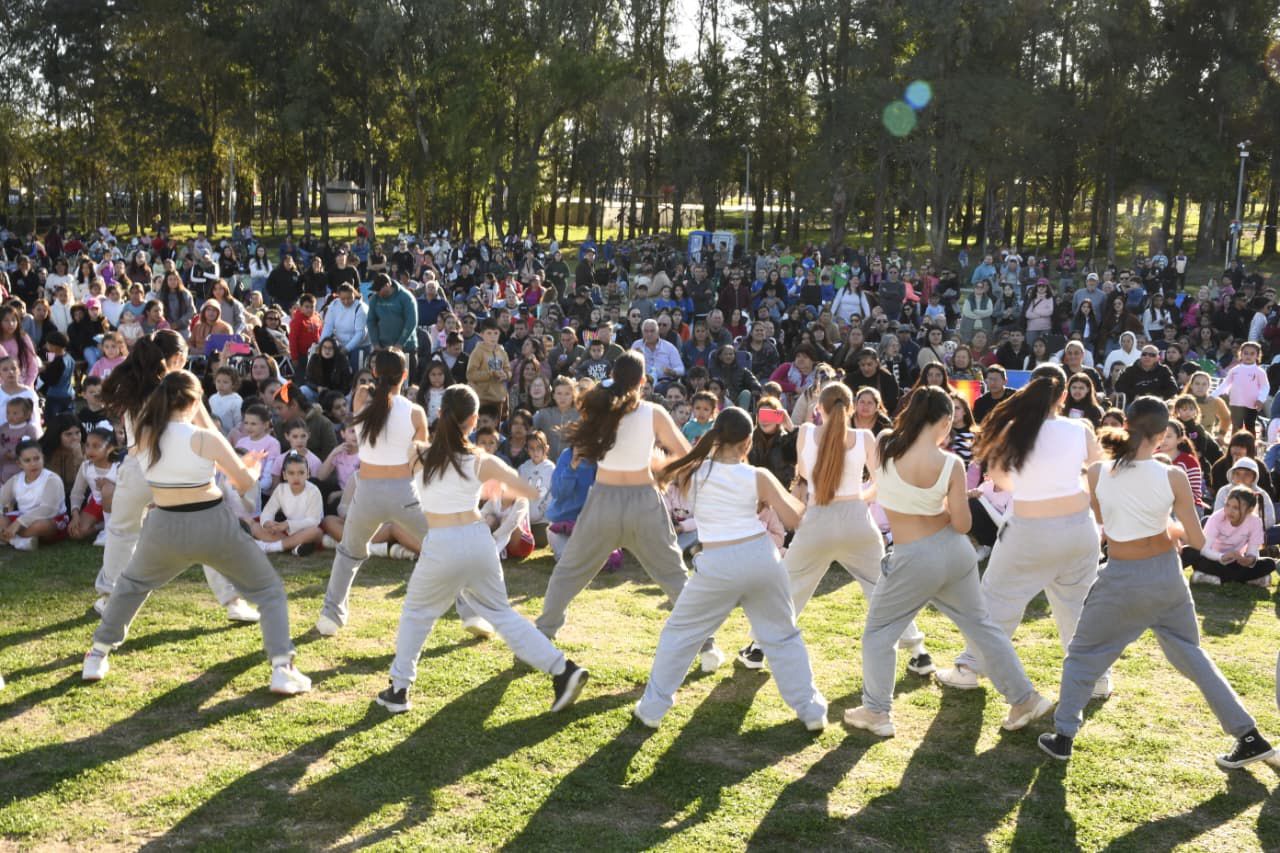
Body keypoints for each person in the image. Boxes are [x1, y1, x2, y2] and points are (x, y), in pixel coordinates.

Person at [1039, 396, 1276, 770]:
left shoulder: (1099, 472)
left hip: (1122, 577)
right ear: (1163, 434)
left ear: (1127, 425)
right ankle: (1249, 737)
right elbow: (1198, 542)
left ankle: (1064, 736)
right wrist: (1172, 528)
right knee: (1194, 659)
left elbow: (1109, 526)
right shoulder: (1173, 476)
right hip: (1166, 577)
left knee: (1084, 656)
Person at [80, 371, 311, 695]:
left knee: (130, 586)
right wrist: (252, 468)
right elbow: (244, 484)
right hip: (211, 523)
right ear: (193, 401)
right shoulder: (205, 437)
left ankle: (98, 654)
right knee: (269, 590)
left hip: (164, 526)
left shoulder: (145, 434)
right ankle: (282, 668)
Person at [844, 387, 1052, 738]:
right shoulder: (950, 463)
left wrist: (926, 509)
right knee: (981, 627)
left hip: (914, 556)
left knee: (879, 634)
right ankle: (1024, 699)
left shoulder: (884, 444)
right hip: (954, 554)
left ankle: (877, 711)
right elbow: (962, 524)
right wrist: (935, 508)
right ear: (943, 421)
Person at [376, 384, 589, 714]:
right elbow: (528, 492)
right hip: (478, 540)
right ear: (474, 421)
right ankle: (563, 669)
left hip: (444, 541)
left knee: (417, 614)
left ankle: (399, 689)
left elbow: (399, 438)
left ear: (441, 414)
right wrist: (495, 484)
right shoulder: (482, 460)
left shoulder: (418, 452)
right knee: (502, 614)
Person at [634, 406, 827, 731]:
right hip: (761, 558)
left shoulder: (693, 471)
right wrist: (783, 497)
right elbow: (796, 519)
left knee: (680, 634)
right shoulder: (757, 477)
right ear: (748, 442)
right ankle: (811, 711)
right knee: (782, 636)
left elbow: (654, 467)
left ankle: (652, 709)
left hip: (719, 563)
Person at [534, 352, 721, 664]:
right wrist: (659, 465)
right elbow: (686, 455)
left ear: (612, 375)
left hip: (604, 500)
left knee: (568, 572)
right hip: (643, 501)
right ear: (643, 381)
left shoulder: (596, 407)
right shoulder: (653, 411)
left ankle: (542, 634)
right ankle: (707, 646)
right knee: (674, 575)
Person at [936, 366, 1111, 698]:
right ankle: (1097, 677)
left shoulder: (1015, 430)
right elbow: (1098, 472)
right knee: (1077, 605)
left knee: (995, 600)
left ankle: (971, 665)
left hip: (1031, 529)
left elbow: (1002, 480)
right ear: (1061, 396)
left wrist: (1033, 487)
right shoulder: (1079, 429)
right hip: (1078, 529)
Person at [737, 384, 932, 674]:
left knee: (789, 585)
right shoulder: (864, 437)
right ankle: (919, 652)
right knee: (884, 588)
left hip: (818, 519)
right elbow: (882, 481)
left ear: (820, 408)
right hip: (856, 520)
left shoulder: (805, 432)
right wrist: (861, 498)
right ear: (851, 407)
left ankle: (757, 648)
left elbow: (803, 474)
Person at [317, 348, 490, 637]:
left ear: (374, 373)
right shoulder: (414, 412)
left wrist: (372, 385)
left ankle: (330, 616)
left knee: (349, 552)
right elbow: (419, 460)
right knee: (444, 551)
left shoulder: (361, 402)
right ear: (405, 375)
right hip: (404, 492)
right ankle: (470, 613)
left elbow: (362, 390)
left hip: (368, 491)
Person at [95, 331, 258, 623]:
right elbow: (208, 430)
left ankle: (110, 597)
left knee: (121, 532)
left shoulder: (134, 385)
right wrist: (232, 461)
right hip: (174, 470)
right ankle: (233, 600)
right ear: (179, 358)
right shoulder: (181, 387)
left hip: (136, 469)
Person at [1184, 486, 1275, 586]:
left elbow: (1252, 552)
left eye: (1236, 508)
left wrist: (1249, 560)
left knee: (1269, 563)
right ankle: (1243, 580)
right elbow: (1205, 550)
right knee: (1189, 551)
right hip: (1214, 560)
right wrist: (1221, 557)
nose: (1229, 511)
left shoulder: (1255, 522)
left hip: (1236, 563)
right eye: (1227, 505)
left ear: (1250, 509)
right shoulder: (1216, 517)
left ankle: (1212, 579)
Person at [0, 439, 68, 550]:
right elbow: (1, 499)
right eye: (27, 460)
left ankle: (8, 537)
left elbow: (49, 509)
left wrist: (18, 523)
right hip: (23, 517)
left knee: (40, 526)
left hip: (50, 518)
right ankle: (20, 540)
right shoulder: (16, 480)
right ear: (19, 463)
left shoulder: (52, 479)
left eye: (37, 459)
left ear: (43, 458)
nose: (33, 463)